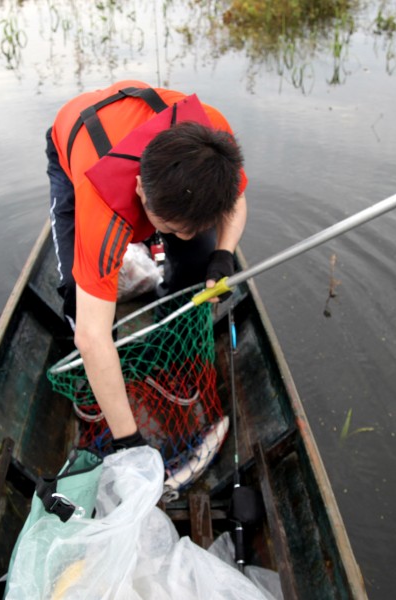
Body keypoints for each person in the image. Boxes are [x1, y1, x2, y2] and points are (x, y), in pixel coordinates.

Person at [45, 80, 248, 451]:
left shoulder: (213, 138)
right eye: (169, 229)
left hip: (149, 145)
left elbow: (236, 200)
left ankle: (168, 351)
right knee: (78, 296)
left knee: (196, 261)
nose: (177, 235)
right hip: (78, 146)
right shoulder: (101, 214)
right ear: (139, 189)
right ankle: (98, 382)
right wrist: (130, 440)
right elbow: (90, 338)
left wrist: (223, 254)